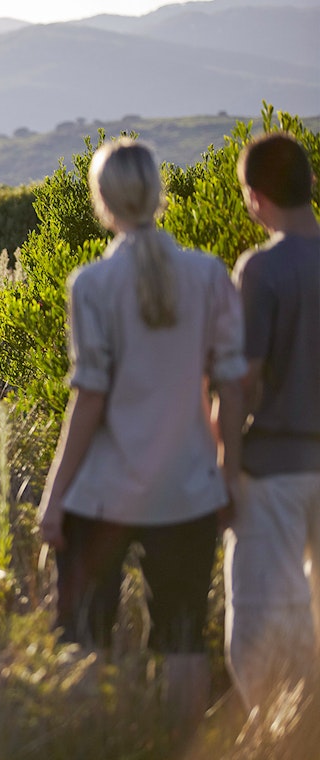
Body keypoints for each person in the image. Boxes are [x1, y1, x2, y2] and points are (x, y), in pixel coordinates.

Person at [37, 139, 246, 739]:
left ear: (101, 200)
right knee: (182, 637)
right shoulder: (208, 274)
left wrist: (55, 496)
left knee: (84, 634)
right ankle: (181, 747)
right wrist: (226, 478)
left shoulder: (93, 284)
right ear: (158, 194)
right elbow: (229, 387)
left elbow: (90, 398)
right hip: (188, 490)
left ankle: (91, 744)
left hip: (104, 493)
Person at [223, 131, 320, 714]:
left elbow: (243, 381)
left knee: (263, 615)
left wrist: (226, 472)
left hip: (276, 470)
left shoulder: (261, 269)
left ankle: (279, 729)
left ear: (256, 197)